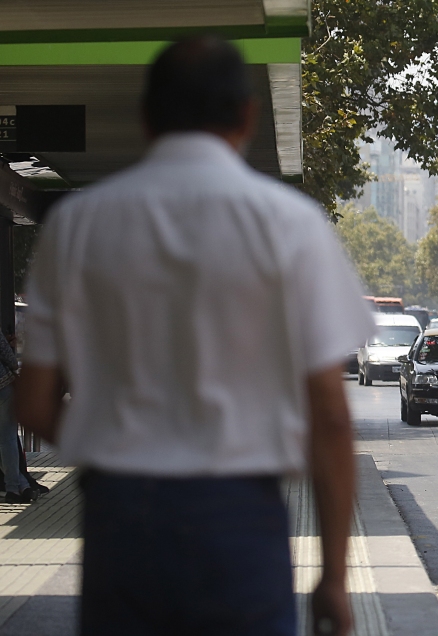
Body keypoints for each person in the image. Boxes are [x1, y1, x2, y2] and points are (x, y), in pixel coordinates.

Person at [17, 36, 373, 636]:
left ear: (144, 117)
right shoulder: (291, 225)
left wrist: (114, 443)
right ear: (246, 116)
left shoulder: (77, 225)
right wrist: (333, 576)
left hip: (119, 524)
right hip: (239, 523)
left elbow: (31, 403)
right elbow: (331, 420)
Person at [0, 333, 35, 504]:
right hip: (4, 385)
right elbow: (8, 356)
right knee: (8, 439)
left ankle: (17, 486)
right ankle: (18, 487)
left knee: (5, 440)